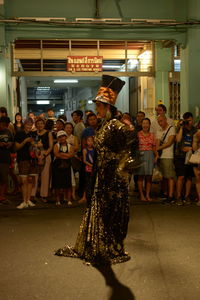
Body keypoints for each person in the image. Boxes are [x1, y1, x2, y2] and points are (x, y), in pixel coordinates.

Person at [55, 75, 139, 265]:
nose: (96, 110)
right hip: (100, 177)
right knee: (97, 212)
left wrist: (120, 170)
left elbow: (130, 150)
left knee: (111, 216)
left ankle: (108, 248)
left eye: (99, 106)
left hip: (112, 181)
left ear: (108, 107)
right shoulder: (103, 126)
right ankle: (96, 246)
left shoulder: (116, 126)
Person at [174, 112, 197, 205]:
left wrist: (190, 148)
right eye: (187, 121)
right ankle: (178, 197)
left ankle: (187, 196)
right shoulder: (180, 129)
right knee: (181, 176)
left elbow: (197, 143)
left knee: (189, 177)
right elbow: (178, 140)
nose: (189, 122)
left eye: (190, 120)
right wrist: (181, 127)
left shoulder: (195, 130)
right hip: (180, 156)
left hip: (191, 156)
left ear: (192, 120)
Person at [15, 118, 37, 209]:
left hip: (32, 159)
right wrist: (25, 141)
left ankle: (28, 200)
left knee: (31, 180)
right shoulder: (19, 133)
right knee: (23, 181)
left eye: (30, 124)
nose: (29, 126)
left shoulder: (33, 134)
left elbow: (36, 146)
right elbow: (17, 147)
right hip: (23, 159)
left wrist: (35, 144)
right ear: (24, 124)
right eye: (27, 124)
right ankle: (24, 201)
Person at [134, 118, 157, 202]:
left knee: (149, 177)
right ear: (141, 125)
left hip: (150, 155)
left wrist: (156, 156)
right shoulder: (138, 134)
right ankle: (141, 195)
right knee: (140, 177)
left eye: (147, 123)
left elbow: (154, 147)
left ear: (149, 125)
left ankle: (147, 195)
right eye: (144, 123)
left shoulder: (152, 135)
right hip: (140, 155)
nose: (145, 125)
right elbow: (135, 146)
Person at [31, 118, 53, 202]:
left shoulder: (48, 133)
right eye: (38, 123)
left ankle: (44, 195)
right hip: (35, 155)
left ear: (44, 125)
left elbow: (51, 146)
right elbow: (31, 144)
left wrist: (44, 154)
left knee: (45, 175)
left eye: (41, 123)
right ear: (36, 124)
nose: (40, 125)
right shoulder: (33, 133)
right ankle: (32, 194)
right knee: (34, 175)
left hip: (45, 154)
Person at [156, 115, 176, 204]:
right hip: (161, 156)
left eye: (161, 121)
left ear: (165, 120)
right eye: (158, 121)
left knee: (169, 176)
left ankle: (171, 196)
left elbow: (169, 142)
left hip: (168, 155)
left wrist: (159, 148)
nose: (160, 123)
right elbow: (156, 143)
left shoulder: (171, 128)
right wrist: (157, 151)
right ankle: (165, 193)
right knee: (164, 176)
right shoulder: (159, 131)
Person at [52, 130, 74, 206]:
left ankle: (68, 199)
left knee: (67, 184)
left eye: (63, 136)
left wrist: (61, 154)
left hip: (67, 167)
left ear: (66, 137)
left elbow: (71, 155)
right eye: (60, 137)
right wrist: (66, 155)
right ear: (58, 138)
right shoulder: (56, 145)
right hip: (57, 167)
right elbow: (56, 154)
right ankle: (57, 200)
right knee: (57, 184)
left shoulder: (70, 146)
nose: (62, 138)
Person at [0, 117, 14, 202]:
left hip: (5, 157)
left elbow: (13, 142)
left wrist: (9, 143)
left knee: (4, 178)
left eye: (6, 125)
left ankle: (2, 196)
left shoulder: (9, 131)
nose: (4, 126)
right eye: (3, 124)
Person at [65, 122, 79, 200]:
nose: (68, 129)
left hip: (73, 159)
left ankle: (73, 194)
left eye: (70, 128)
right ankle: (66, 195)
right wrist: (71, 146)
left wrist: (69, 146)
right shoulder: (62, 137)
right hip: (64, 159)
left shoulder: (74, 137)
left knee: (72, 177)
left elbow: (76, 148)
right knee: (66, 177)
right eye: (67, 127)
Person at [78, 136, 95, 204]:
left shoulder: (95, 150)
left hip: (94, 168)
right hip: (88, 168)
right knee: (87, 183)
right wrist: (91, 165)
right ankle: (84, 197)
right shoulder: (85, 150)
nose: (90, 142)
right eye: (88, 141)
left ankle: (93, 197)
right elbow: (84, 160)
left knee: (94, 183)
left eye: (91, 141)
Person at [192, 130, 200, 206]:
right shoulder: (197, 134)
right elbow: (194, 148)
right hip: (197, 159)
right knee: (198, 179)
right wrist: (195, 139)